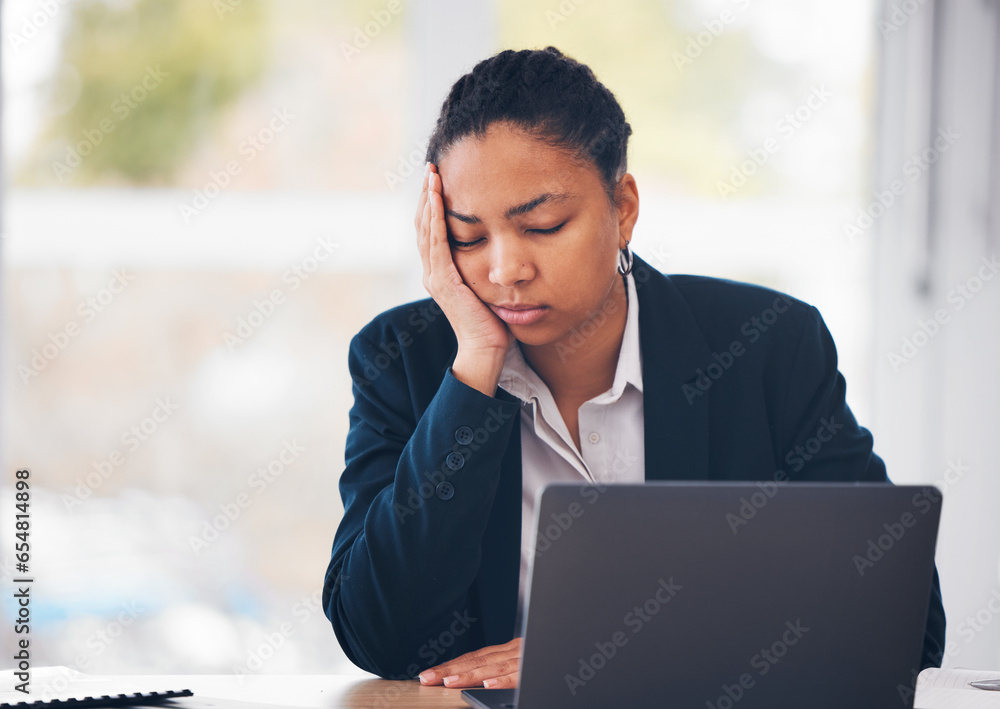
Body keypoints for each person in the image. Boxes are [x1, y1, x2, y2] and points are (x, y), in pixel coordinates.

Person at [321, 46, 945, 690]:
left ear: (623, 208)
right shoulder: (402, 360)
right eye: (468, 237)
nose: (504, 270)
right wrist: (475, 368)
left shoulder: (769, 348)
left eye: (542, 224)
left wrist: (604, 652)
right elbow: (377, 635)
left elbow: (906, 628)